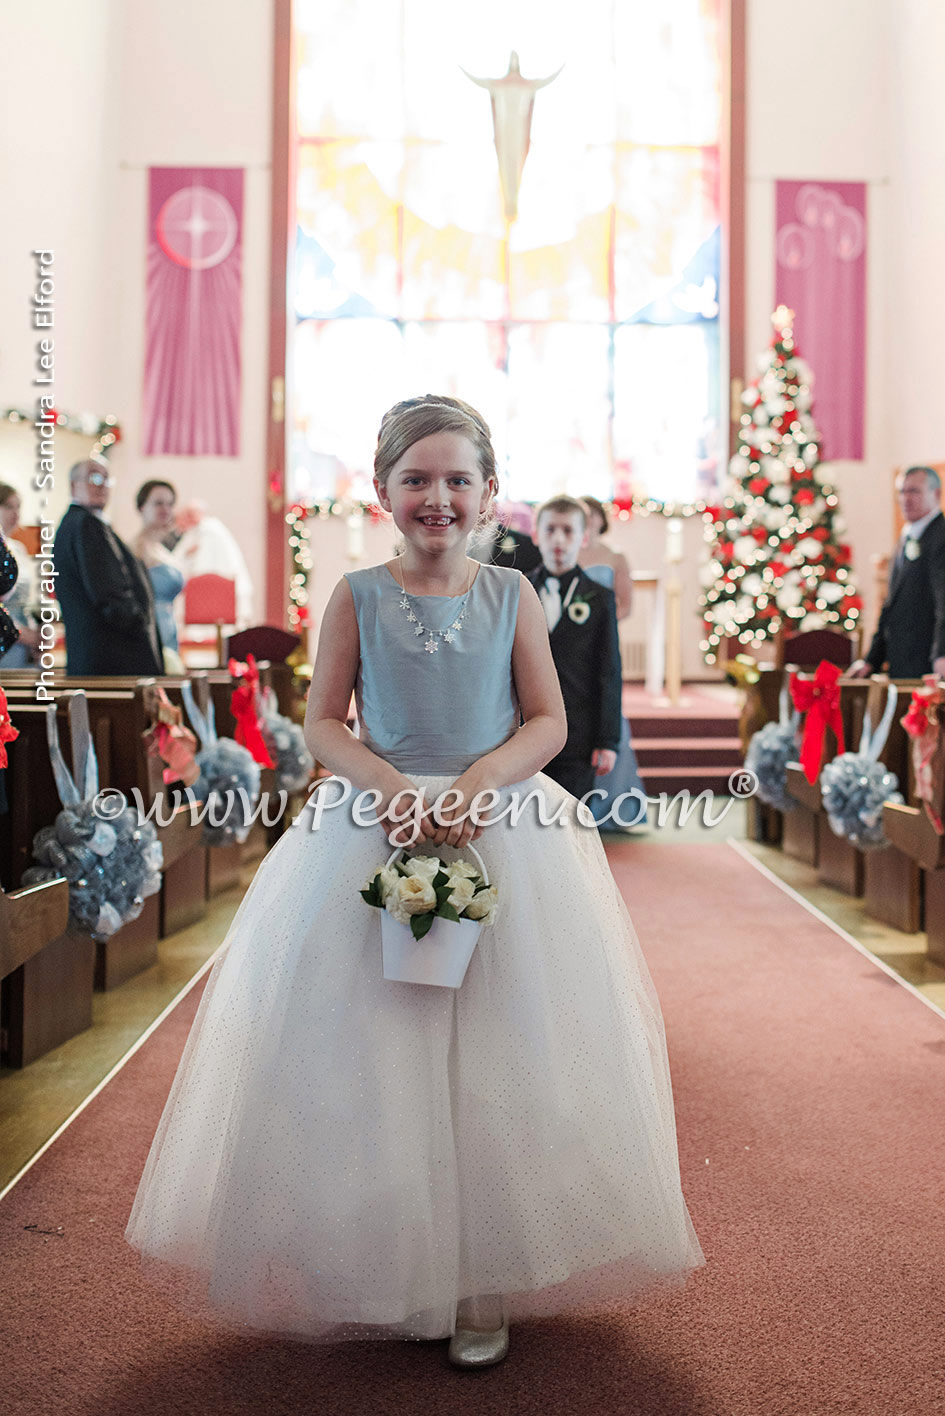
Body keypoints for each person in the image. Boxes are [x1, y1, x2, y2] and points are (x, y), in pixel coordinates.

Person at [126, 396, 702, 1367]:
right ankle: (393, 1260)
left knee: (498, 1053)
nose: (438, 497)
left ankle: (480, 1275)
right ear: (386, 489)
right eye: (417, 479)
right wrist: (387, 786)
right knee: (377, 1051)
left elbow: (547, 721)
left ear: (488, 494)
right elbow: (322, 723)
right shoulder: (355, 593)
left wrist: (481, 780)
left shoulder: (513, 595)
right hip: (374, 828)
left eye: (457, 479)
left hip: (497, 829)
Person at [526, 496, 622, 805]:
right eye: (551, 529)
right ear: (536, 534)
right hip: (525, 733)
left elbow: (609, 671)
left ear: (584, 537)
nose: (558, 539)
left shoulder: (599, 597)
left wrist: (607, 741)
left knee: (571, 819)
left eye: (568, 531)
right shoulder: (518, 590)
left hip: (578, 734)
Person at [54, 459, 163, 676]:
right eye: (94, 478)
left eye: (106, 479)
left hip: (98, 655)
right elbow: (109, 593)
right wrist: (139, 624)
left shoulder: (76, 524)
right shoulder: (86, 525)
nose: (102, 485)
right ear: (74, 486)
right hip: (111, 657)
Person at [579, 495, 647, 828]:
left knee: (608, 710)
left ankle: (615, 805)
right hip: (571, 646)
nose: (586, 523)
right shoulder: (565, 553)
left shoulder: (615, 557)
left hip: (602, 643)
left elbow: (626, 605)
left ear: (599, 521)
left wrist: (599, 627)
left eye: (590, 517)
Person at [850, 465, 945, 679]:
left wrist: (942, 654)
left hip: (929, 663)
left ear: (936, 494)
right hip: (902, 662)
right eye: (901, 491)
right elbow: (891, 605)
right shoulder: (906, 538)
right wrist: (871, 660)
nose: (905, 498)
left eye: (914, 491)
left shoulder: (941, 536)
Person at [171, 500, 254, 628]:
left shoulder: (211, 530)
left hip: (214, 596)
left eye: (189, 515)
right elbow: (177, 560)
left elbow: (204, 565)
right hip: (199, 599)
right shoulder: (193, 533)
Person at [133, 480, 185, 662]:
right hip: (149, 628)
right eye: (158, 503)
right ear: (141, 507)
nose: (166, 509)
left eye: (170, 504)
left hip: (170, 625)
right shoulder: (136, 549)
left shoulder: (163, 549)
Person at [0, 484, 39, 667]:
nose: (15, 513)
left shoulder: (18, 548)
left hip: (27, 638)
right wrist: (22, 634)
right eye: (8, 506)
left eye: (18, 507)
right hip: (6, 637)